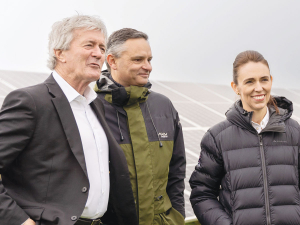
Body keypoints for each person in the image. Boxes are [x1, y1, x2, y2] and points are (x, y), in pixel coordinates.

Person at [0, 15, 137, 225]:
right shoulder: (30, 102)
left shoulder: (97, 104)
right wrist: (20, 221)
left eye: (102, 47)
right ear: (60, 53)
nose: (98, 53)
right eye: (89, 45)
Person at [189, 50, 300, 225]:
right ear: (236, 87)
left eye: (264, 79)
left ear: (271, 80)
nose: (259, 88)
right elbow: (202, 194)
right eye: (249, 81)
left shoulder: (294, 132)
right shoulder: (217, 137)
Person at [94, 28, 186, 225]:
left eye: (149, 59)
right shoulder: (90, 106)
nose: (148, 67)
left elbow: (176, 172)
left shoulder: (164, 106)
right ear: (112, 61)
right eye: (138, 60)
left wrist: (176, 218)